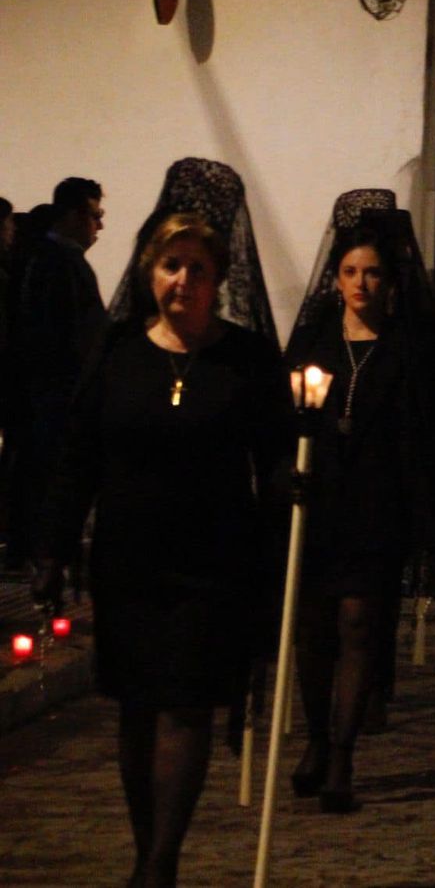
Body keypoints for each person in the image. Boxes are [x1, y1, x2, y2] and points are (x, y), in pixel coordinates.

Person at [35, 159, 291, 887]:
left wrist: (295, 481)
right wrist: (53, 547)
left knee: (187, 707)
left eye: (199, 268)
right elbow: (77, 455)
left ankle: (157, 863)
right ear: (152, 271)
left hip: (213, 565)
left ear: (220, 277)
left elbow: (273, 454)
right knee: (138, 710)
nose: (185, 280)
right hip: (130, 562)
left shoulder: (243, 359)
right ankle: (147, 847)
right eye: (172, 265)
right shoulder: (118, 354)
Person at [284, 193, 435, 813]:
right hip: (320, 502)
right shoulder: (313, 343)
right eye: (351, 272)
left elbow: (431, 433)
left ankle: (342, 754)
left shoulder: (407, 350)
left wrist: (428, 515)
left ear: (390, 281)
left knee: (358, 623)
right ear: (336, 278)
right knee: (312, 631)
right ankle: (314, 737)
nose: (361, 283)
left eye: (373, 273)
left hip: (377, 505)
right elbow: (282, 424)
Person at [13, 176, 108, 572]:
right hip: (58, 398)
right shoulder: (60, 264)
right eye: (95, 215)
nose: (100, 226)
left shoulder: (49, 260)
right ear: (73, 215)